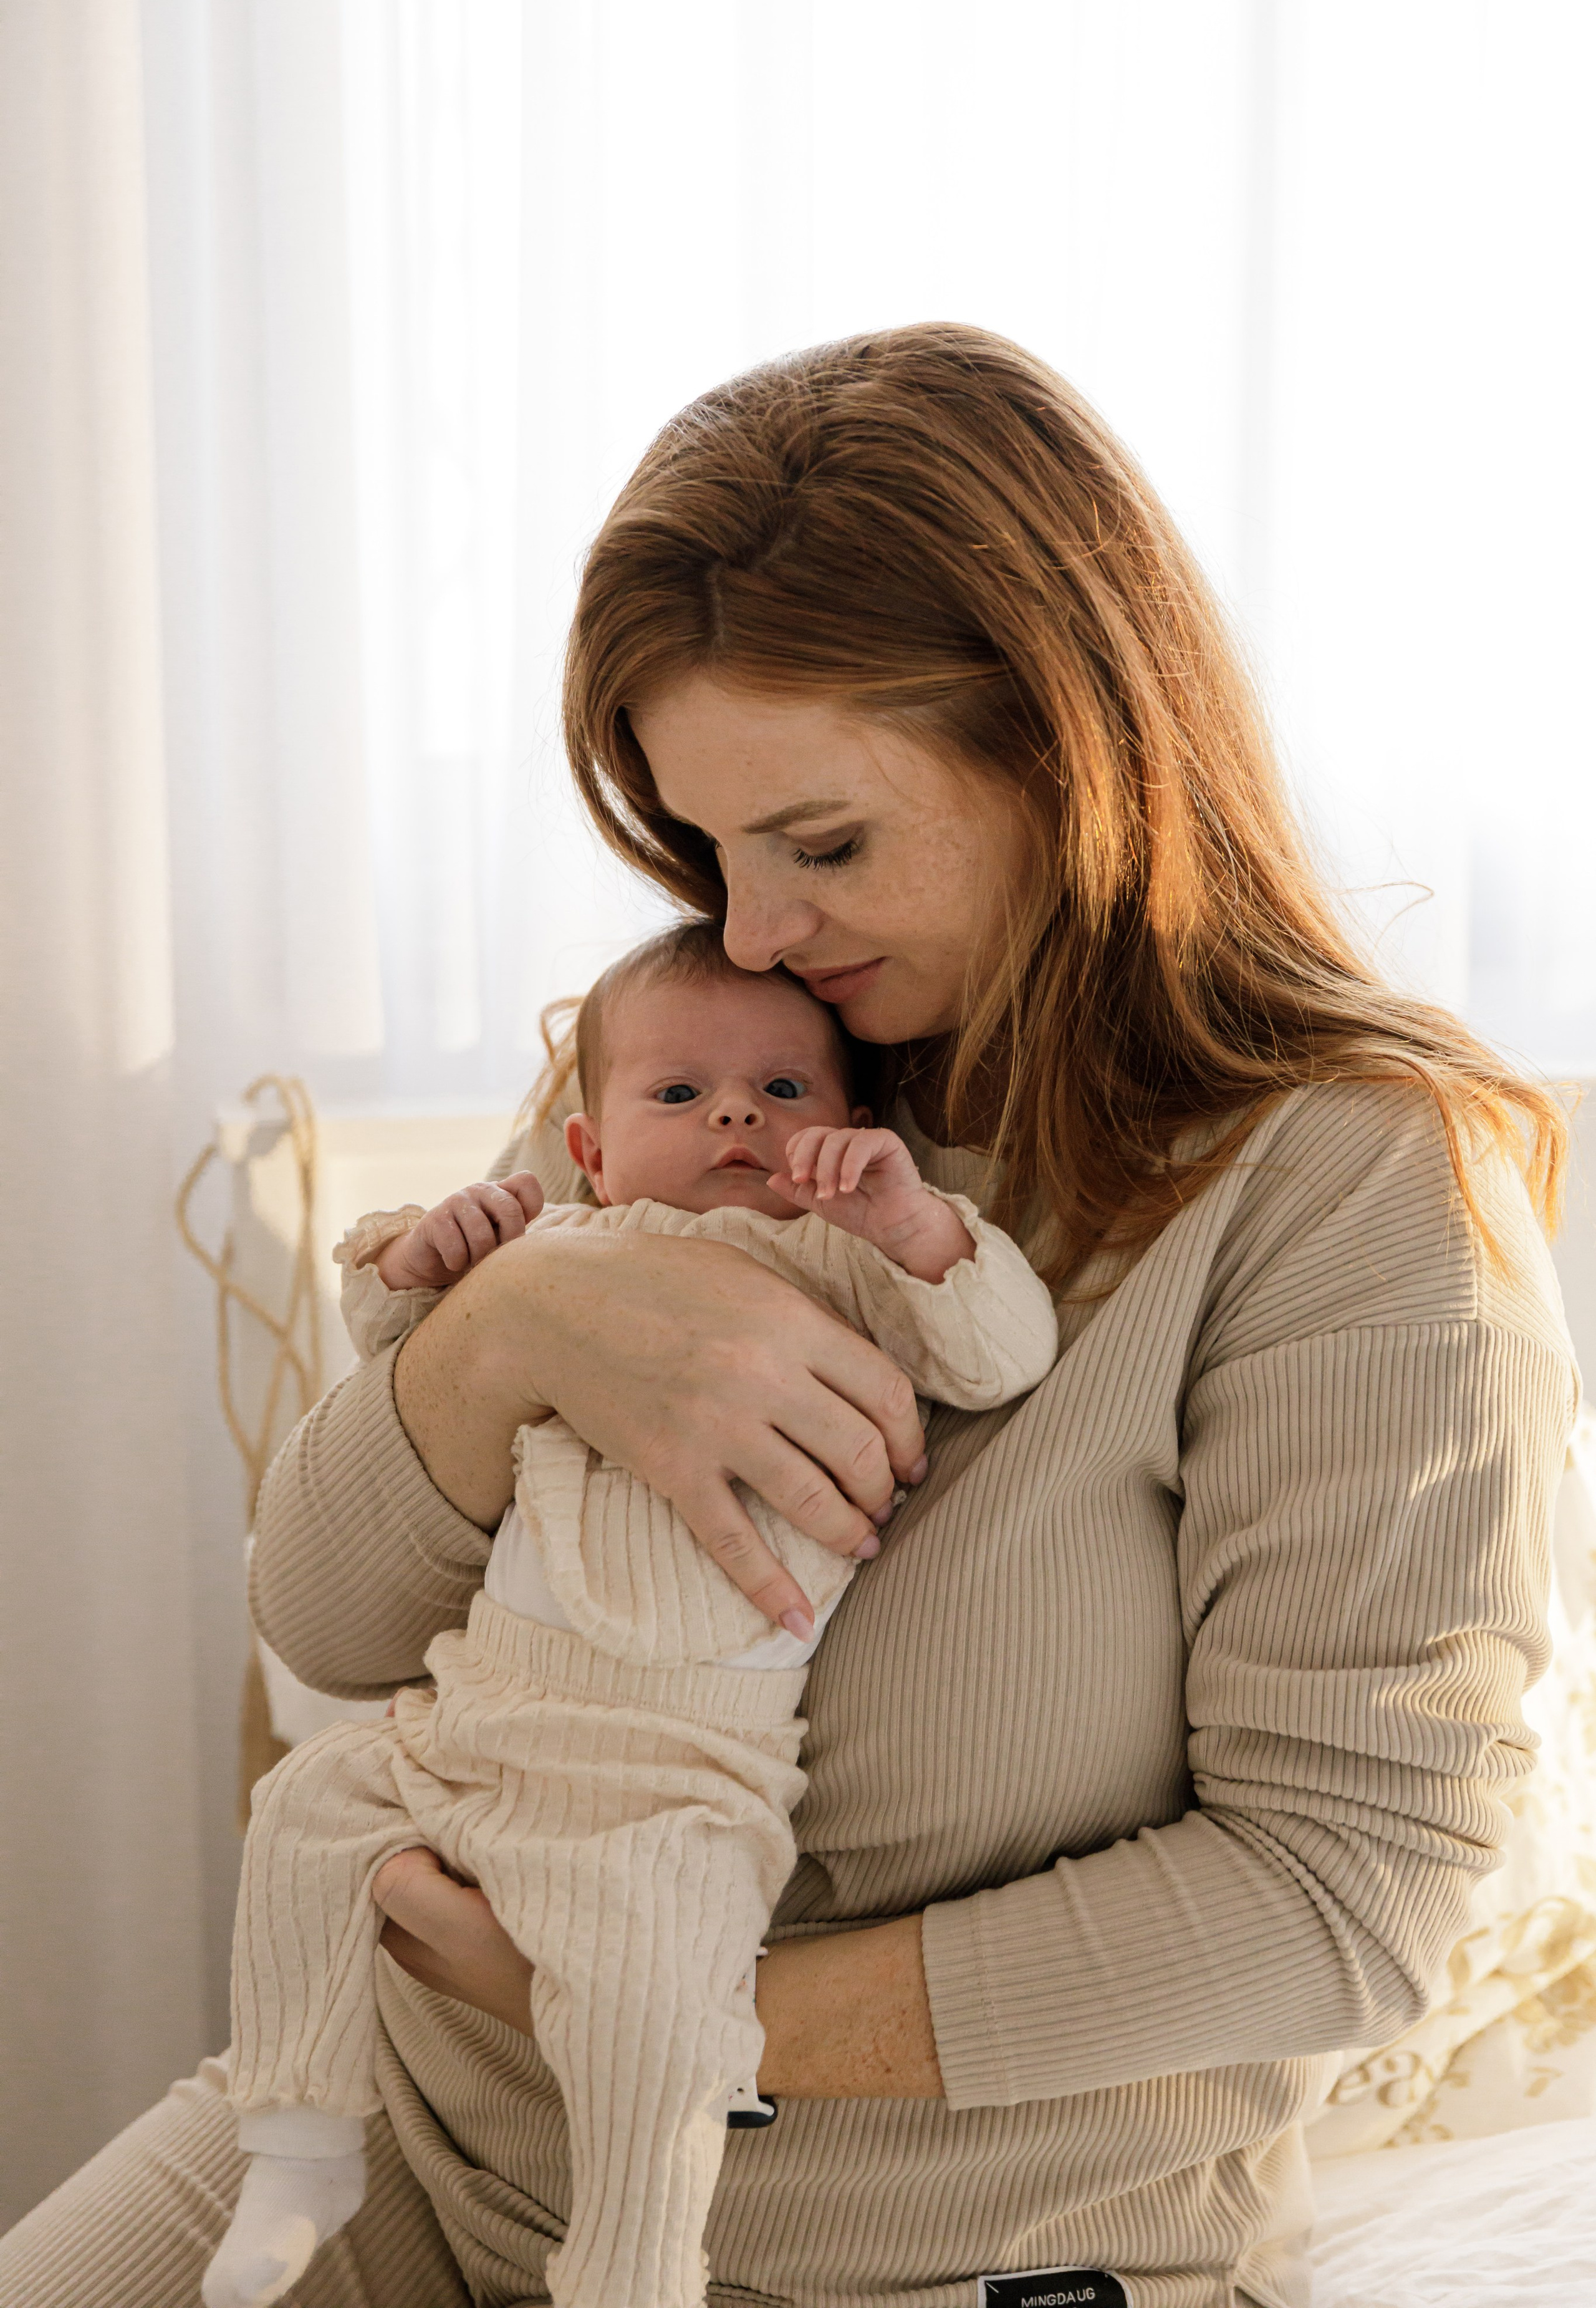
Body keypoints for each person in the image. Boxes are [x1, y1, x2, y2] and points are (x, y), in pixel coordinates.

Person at [0, 323, 1576, 2308]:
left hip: (918, 2261)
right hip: (421, 2141)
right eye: (704, 847)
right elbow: (328, 1613)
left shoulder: (1349, 1184)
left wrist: (677, 2013)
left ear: (1063, 746)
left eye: (821, 844)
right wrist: (517, 1336)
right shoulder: (731, 1061)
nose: (753, 932)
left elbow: (1350, 1903)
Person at [201, 919, 1055, 2308]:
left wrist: (905, 1221)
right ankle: (298, 2149)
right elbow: (393, 1365)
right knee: (306, 1813)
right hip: (483, 1718)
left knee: (654, 2007)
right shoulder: (559, 1251)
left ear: (847, 1126)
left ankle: (633, 2269)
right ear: (586, 1150)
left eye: (782, 1095)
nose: (733, 1115)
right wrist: (434, 1260)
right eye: (678, 1095)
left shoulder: (840, 1270)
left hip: (682, 1771)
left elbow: (1001, 1348)